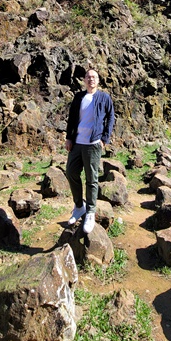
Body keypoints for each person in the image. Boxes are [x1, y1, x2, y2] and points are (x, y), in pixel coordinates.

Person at [64, 69, 115, 233]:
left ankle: (91, 212)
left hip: (93, 143)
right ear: (84, 80)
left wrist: (104, 139)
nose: (90, 79)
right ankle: (79, 206)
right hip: (77, 142)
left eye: (94, 77)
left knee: (91, 179)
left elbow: (111, 117)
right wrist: (69, 138)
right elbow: (72, 118)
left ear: (98, 80)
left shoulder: (104, 98)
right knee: (71, 171)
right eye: (88, 77)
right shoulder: (79, 97)